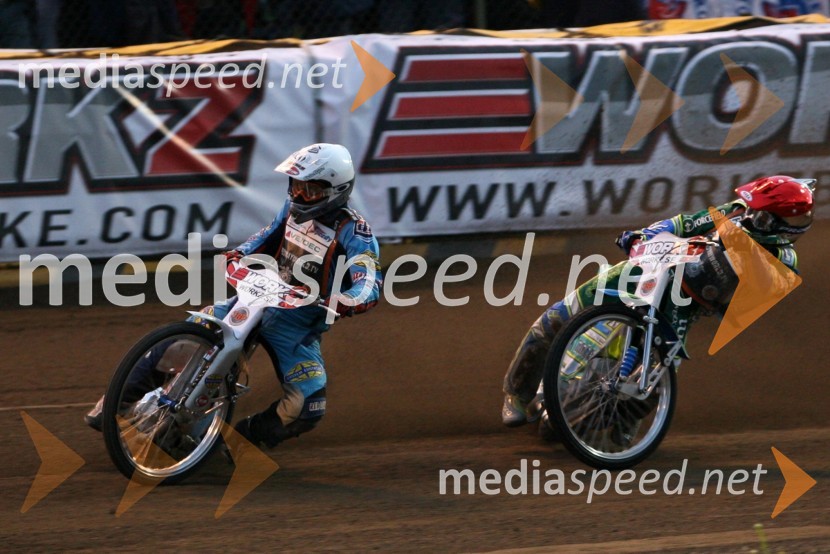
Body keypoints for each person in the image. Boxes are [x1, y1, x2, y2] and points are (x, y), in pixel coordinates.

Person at [87, 143, 382, 450]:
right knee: (188, 333)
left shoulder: (356, 232)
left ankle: (235, 444)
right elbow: (266, 235)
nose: (299, 196)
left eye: (311, 190)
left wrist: (342, 301)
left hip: (299, 322)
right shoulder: (291, 208)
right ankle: (115, 401)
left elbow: (369, 284)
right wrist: (237, 254)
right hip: (259, 295)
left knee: (308, 405)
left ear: (338, 189)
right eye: (296, 186)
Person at [501, 175, 815, 428]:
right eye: (752, 209)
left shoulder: (783, 260)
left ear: (780, 225)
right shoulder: (736, 210)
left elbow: (741, 309)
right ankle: (516, 394)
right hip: (647, 270)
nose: (750, 216)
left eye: (761, 215)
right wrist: (643, 234)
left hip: (682, 308)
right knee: (556, 318)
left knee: (652, 383)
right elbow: (685, 223)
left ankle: (605, 430)